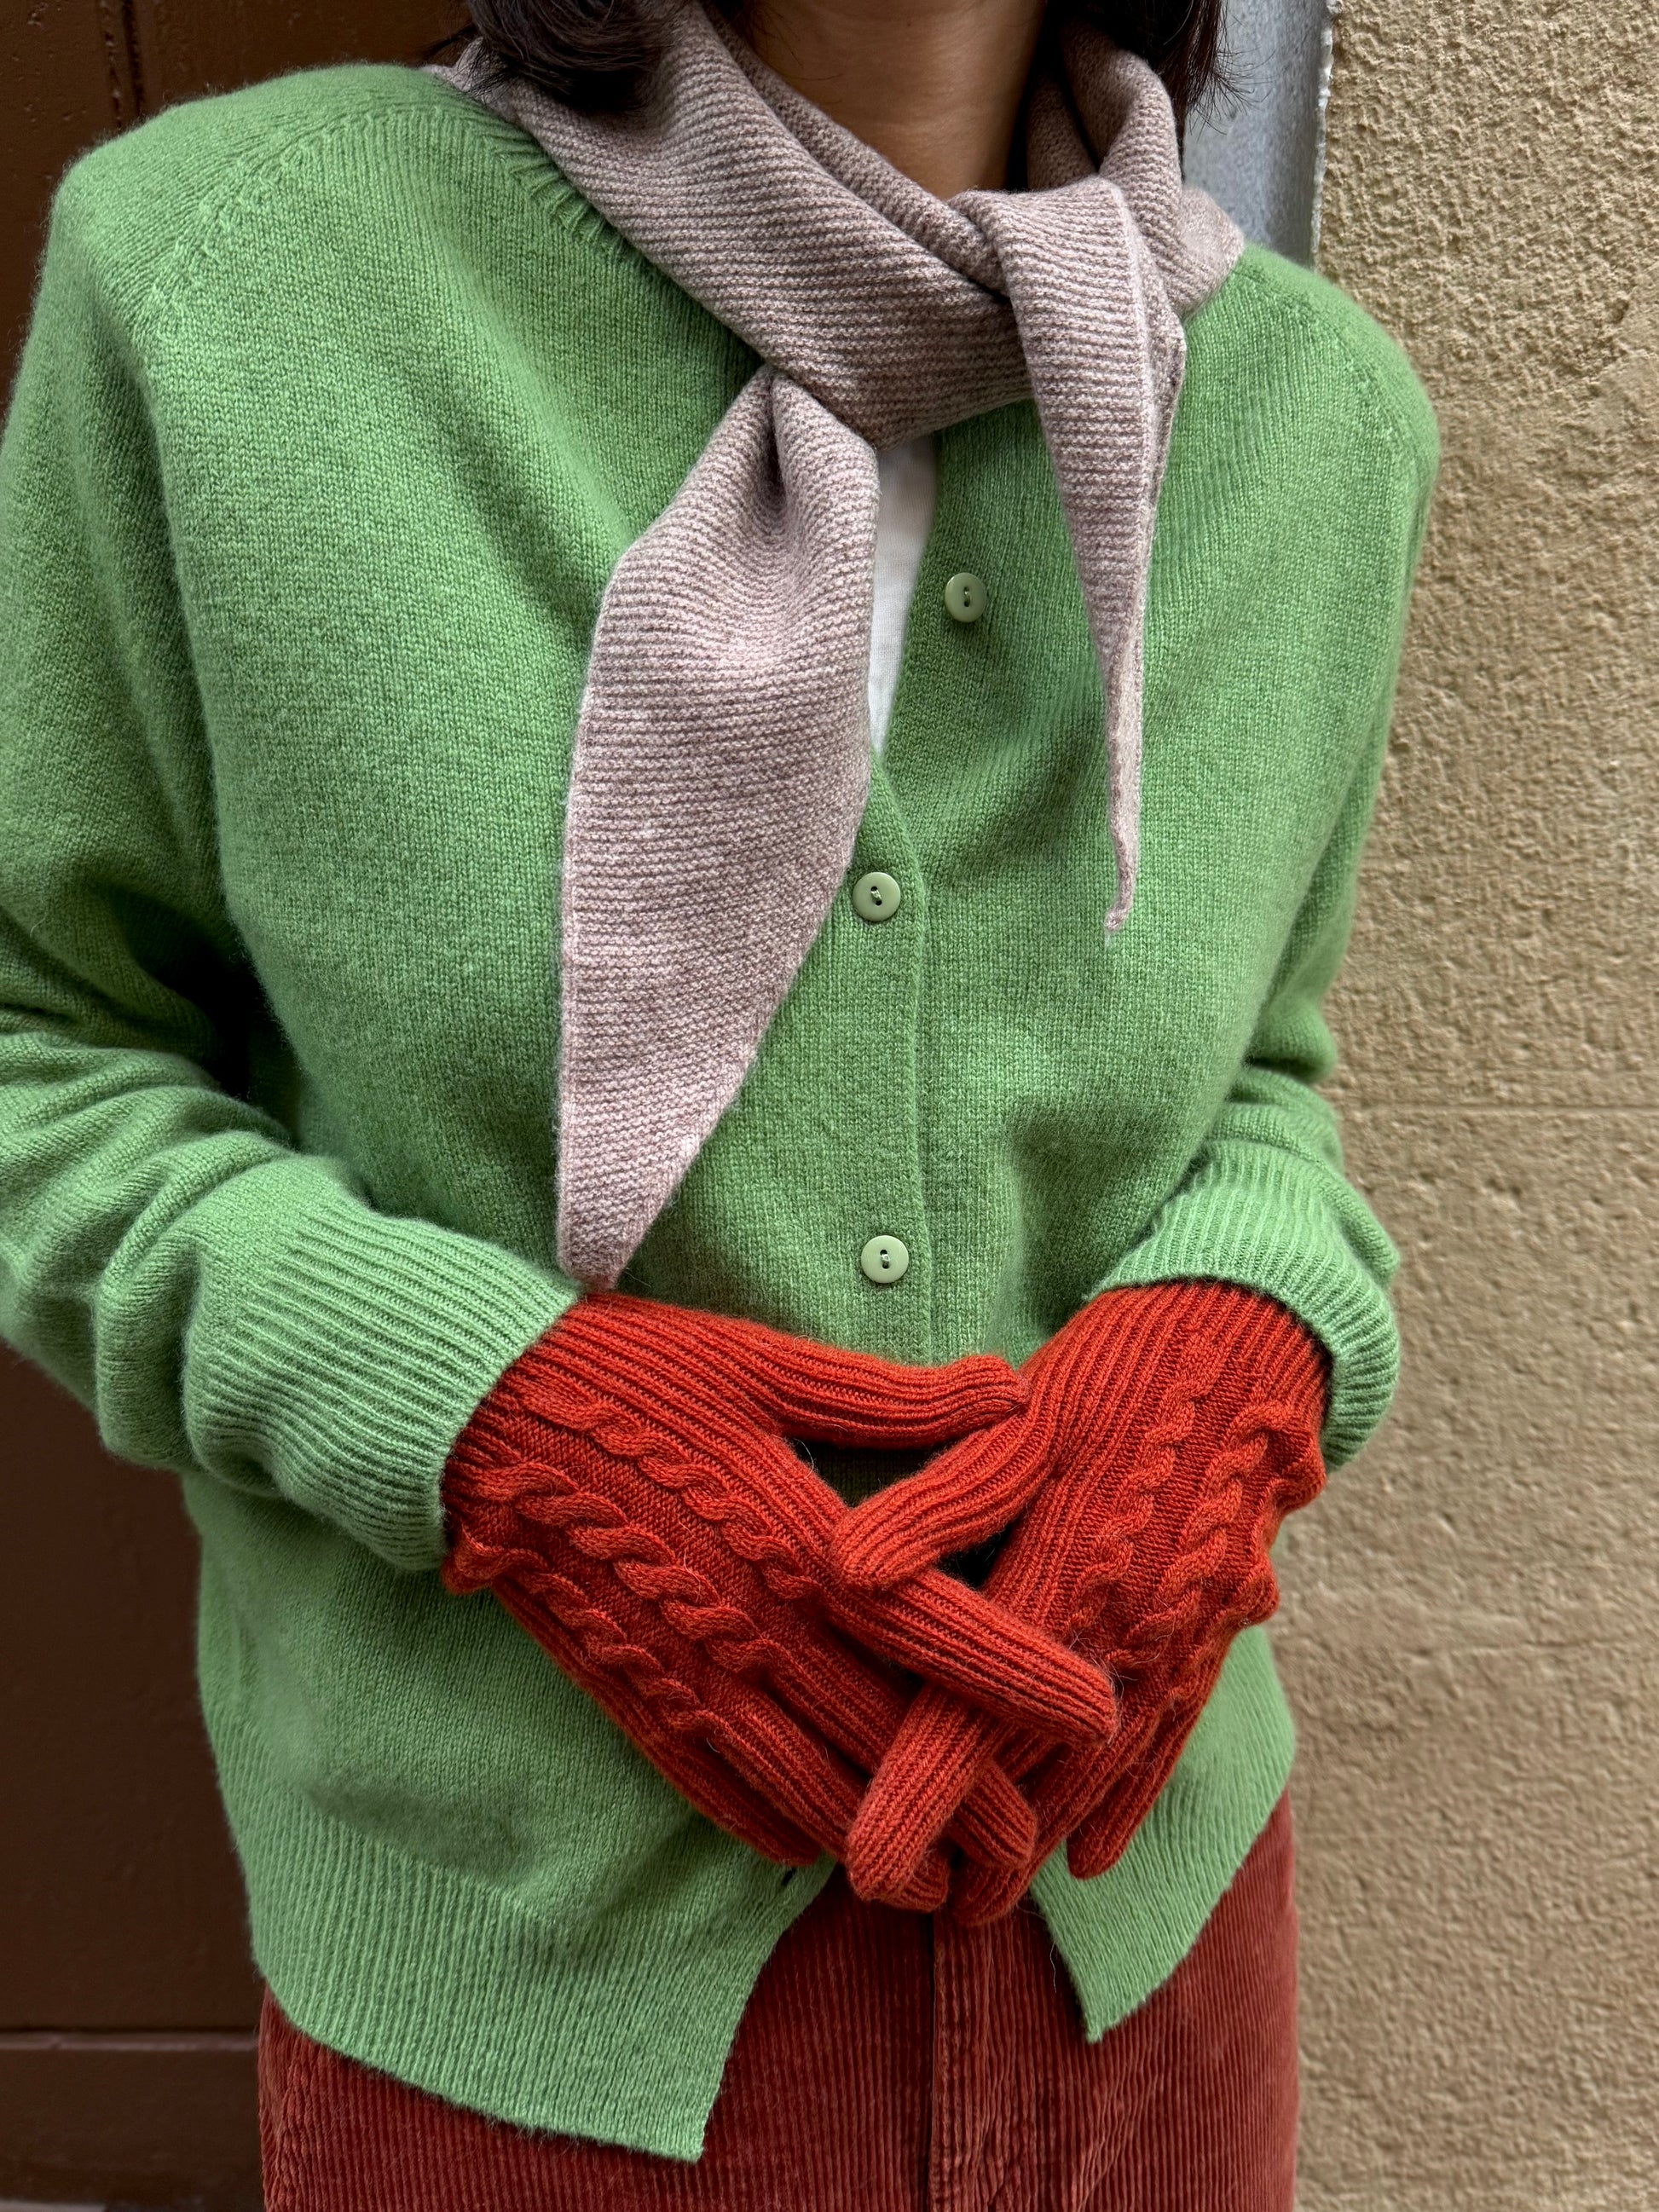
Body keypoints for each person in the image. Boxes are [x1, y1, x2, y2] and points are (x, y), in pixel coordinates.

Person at [0, 0, 1436, 2202]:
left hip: (1143, 1955)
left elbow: (1260, 1070)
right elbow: (45, 1050)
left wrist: (1248, 1322)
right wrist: (486, 1420)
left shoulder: (1315, 421)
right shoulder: (223, 283)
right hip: (519, 2036)